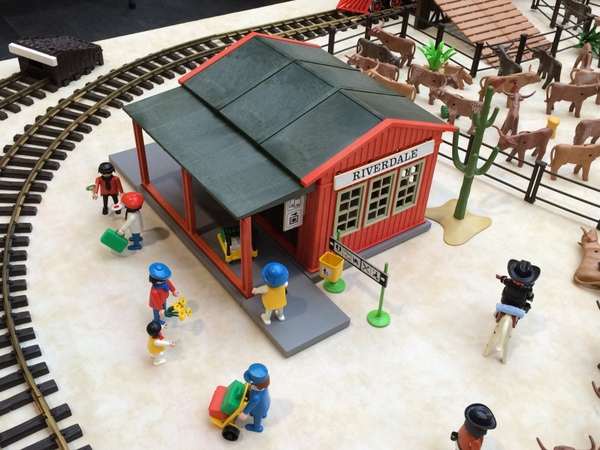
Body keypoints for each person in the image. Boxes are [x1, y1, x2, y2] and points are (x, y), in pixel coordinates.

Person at [238, 363, 271, 432]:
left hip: (260, 409)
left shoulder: (256, 396)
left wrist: (245, 413)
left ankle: (257, 427)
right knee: (260, 412)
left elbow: (251, 404)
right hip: (266, 402)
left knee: (257, 417)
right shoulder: (264, 385)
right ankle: (263, 414)